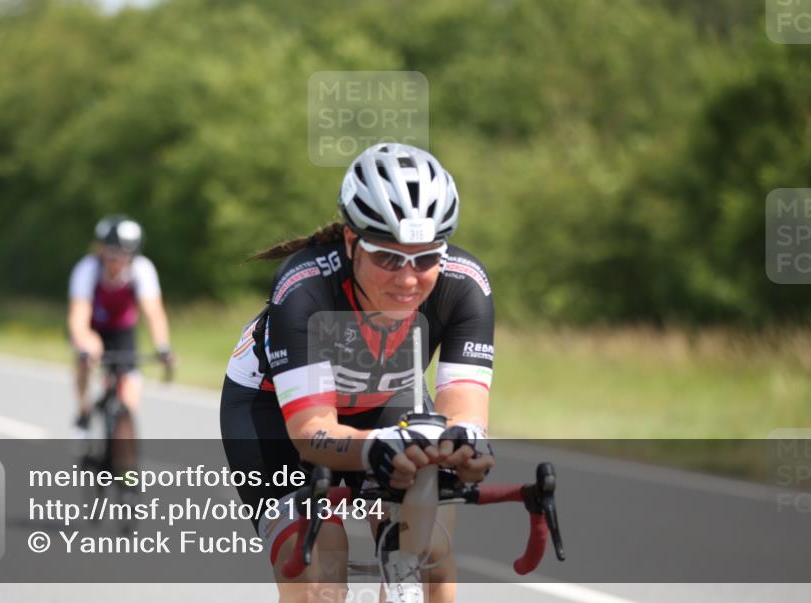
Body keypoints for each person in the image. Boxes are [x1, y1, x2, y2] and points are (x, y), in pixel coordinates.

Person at [220, 143, 496, 603]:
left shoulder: (464, 285)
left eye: (426, 257)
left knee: (431, 556)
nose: (408, 280)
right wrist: (375, 451)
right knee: (320, 574)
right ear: (352, 242)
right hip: (275, 411)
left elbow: (463, 410)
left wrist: (464, 447)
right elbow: (312, 432)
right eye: (388, 257)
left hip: (388, 398)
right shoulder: (305, 286)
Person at [68, 215, 174, 431]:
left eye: (126, 256)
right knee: (87, 355)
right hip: (91, 327)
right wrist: (84, 346)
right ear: (102, 249)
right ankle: (83, 414)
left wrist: (163, 347)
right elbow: (79, 313)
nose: (118, 261)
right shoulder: (87, 268)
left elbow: (153, 312)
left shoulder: (142, 269)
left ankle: (122, 438)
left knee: (130, 389)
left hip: (122, 329)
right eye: (113, 254)